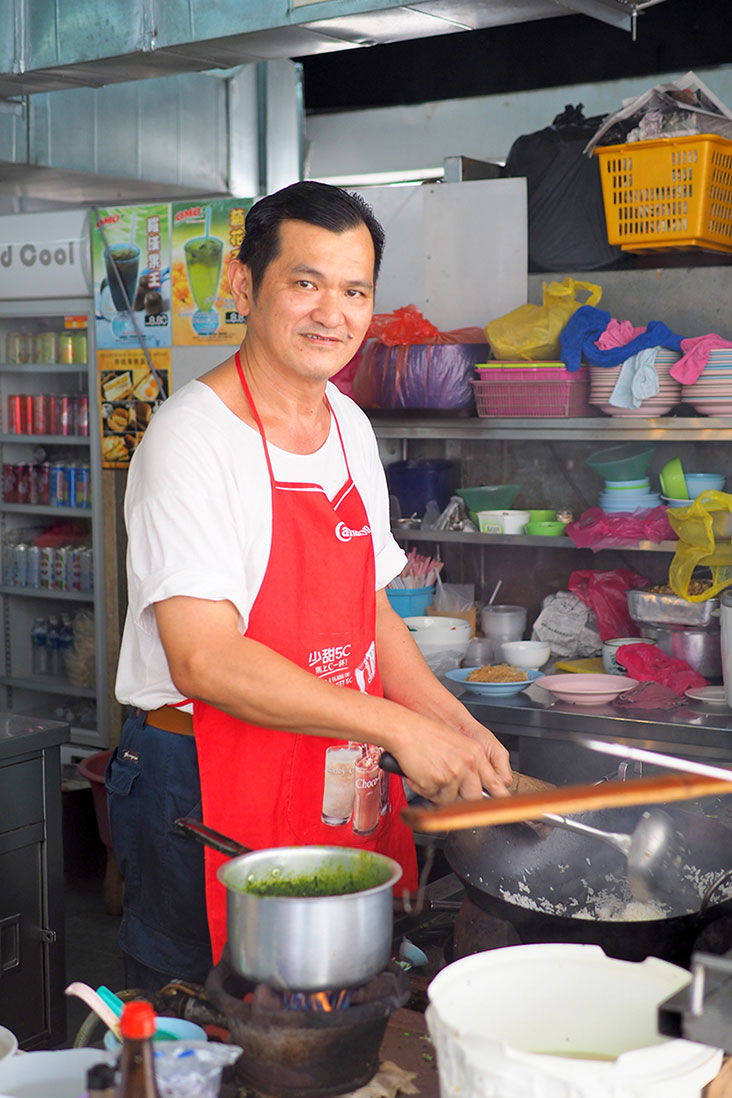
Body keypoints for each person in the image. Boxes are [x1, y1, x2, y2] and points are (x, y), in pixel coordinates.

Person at [108, 180, 512, 991]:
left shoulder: (348, 424)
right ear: (242, 283)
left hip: (327, 769)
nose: (333, 313)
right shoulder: (190, 441)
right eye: (305, 282)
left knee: (328, 1009)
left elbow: (367, 613)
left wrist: (454, 725)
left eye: (354, 290)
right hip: (201, 780)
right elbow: (206, 661)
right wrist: (397, 730)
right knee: (204, 1016)